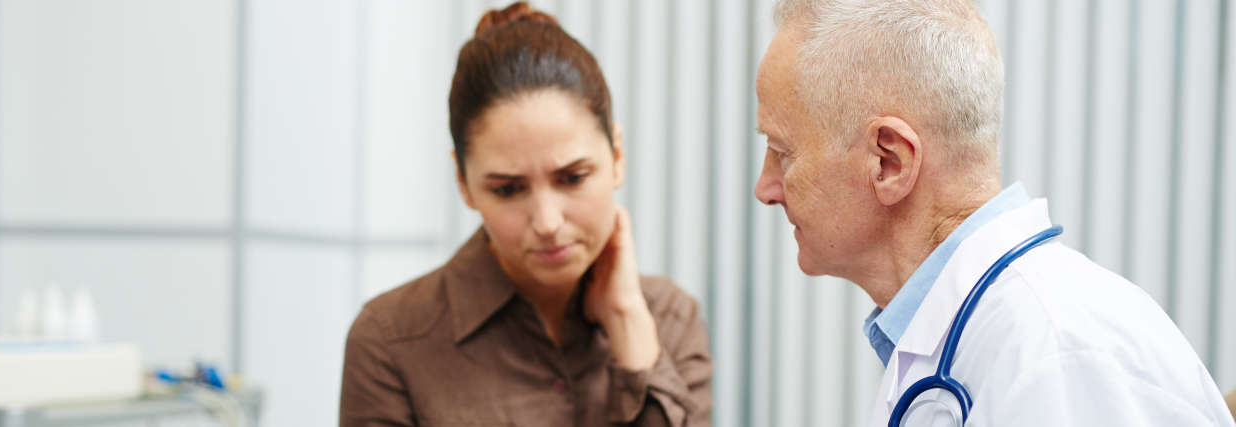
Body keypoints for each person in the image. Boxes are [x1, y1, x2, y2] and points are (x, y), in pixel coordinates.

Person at [754, 0, 1235, 426]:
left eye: (781, 151)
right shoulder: (962, 340)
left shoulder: (1056, 352)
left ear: (889, 162)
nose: (765, 189)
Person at [339, 3, 712, 426]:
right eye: (508, 189)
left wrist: (628, 323)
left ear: (617, 156)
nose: (548, 223)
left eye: (572, 178)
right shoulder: (391, 341)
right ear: (463, 182)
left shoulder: (670, 320)